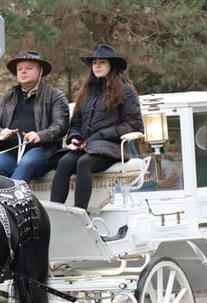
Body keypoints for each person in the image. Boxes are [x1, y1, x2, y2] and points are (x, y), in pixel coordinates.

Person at [50, 44, 143, 209]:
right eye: (94, 63)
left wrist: (102, 135)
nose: (97, 66)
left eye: (102, 62)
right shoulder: (88, 91)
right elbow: (76, 121)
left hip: (112, 147)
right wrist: (75, 138)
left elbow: (134, 124)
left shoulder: (125, 90)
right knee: (64, 162)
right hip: (87, 146)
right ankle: (54, 213)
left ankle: (80, 213)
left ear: (111, 66)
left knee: (84, 163)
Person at [0, 50, 70, 182]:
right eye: (19, 69)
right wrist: (0, 132)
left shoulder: (55, 96)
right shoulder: (8, 97)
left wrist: (40, 135)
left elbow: (61, 125)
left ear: (41, 71)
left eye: (29, 68)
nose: (23, 71)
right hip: (10, 152)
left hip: (43, 150)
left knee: (25, 165)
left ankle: (13, 201)